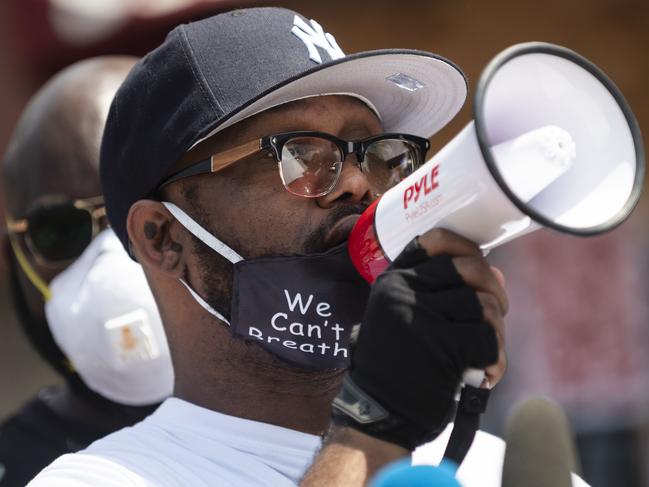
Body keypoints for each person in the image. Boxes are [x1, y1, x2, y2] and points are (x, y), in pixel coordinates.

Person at [28, 7, 581, 486]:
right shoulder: (101, 478)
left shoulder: (506, 469)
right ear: (163, 238)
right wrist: (371, 432)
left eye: (379, 153)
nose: (359, 184)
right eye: (300, 154)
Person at [1, 57, 173, 487]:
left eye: (146, 212)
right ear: (15, 258)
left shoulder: (336, 419)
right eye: (60, 229)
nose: (115, 252)